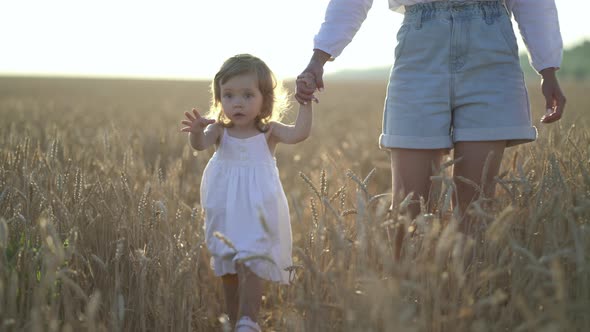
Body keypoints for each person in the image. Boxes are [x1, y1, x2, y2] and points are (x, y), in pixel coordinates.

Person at [296, 0, 566, 258]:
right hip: (420, 48)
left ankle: (462, 298)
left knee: (475, 213)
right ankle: (409, 298)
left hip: (491, 52)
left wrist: (548, 68)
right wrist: (319, 57)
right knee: (407, 213)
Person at [180, 54, 315, 331]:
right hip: (225, 207)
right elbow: (199, 145)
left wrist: (305, 104)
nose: (237, 102)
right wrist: (195, 132)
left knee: (253, 258)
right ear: (219, 99)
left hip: (257, 208)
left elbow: (299, 133)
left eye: (247, 95)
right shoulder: (219, 130)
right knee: (229, 264)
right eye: (228, 95)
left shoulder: (269, 132)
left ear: (264, 99)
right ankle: (235, 320)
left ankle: (248, 320)